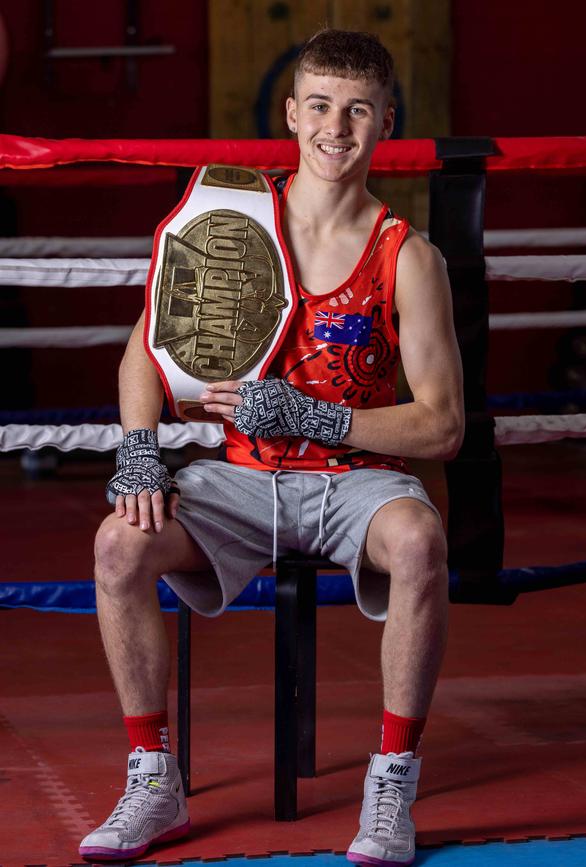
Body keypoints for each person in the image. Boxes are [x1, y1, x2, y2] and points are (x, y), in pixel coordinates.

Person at [79, 28, 464, 864]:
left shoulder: (409, 256)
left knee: (422, 538)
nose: (337, 126)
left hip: (359, 482)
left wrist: (313, 415)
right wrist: (140, 451)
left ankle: (393, 777)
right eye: (320, 105)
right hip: (240, 479)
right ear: (290, 115)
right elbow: (145, 349)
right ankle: (154, 777)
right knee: (118, 544)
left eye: (358, 109)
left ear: (386, 120)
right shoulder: (232, 216)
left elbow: (441, 424)